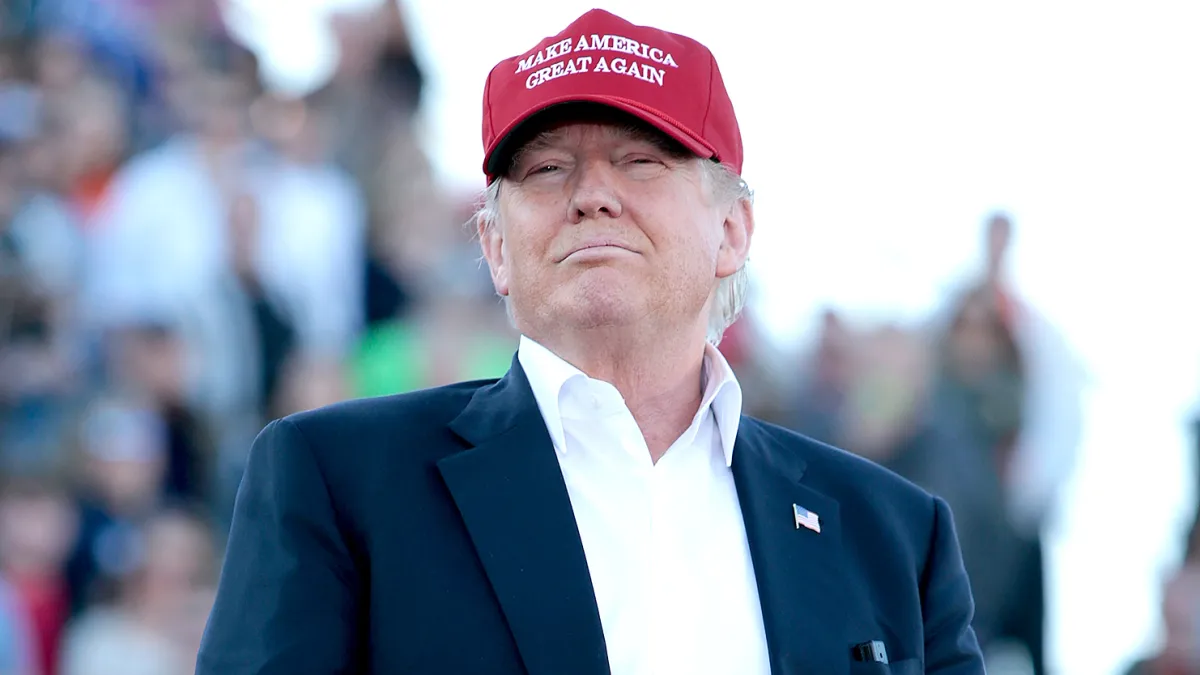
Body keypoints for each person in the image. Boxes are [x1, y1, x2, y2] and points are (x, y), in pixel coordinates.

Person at [196, 9, 985, 674]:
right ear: (495, 248)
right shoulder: (339, 483)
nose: (592, 194)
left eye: (640, 161)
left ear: (732, 230)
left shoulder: (893, 537)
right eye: (547, 169)